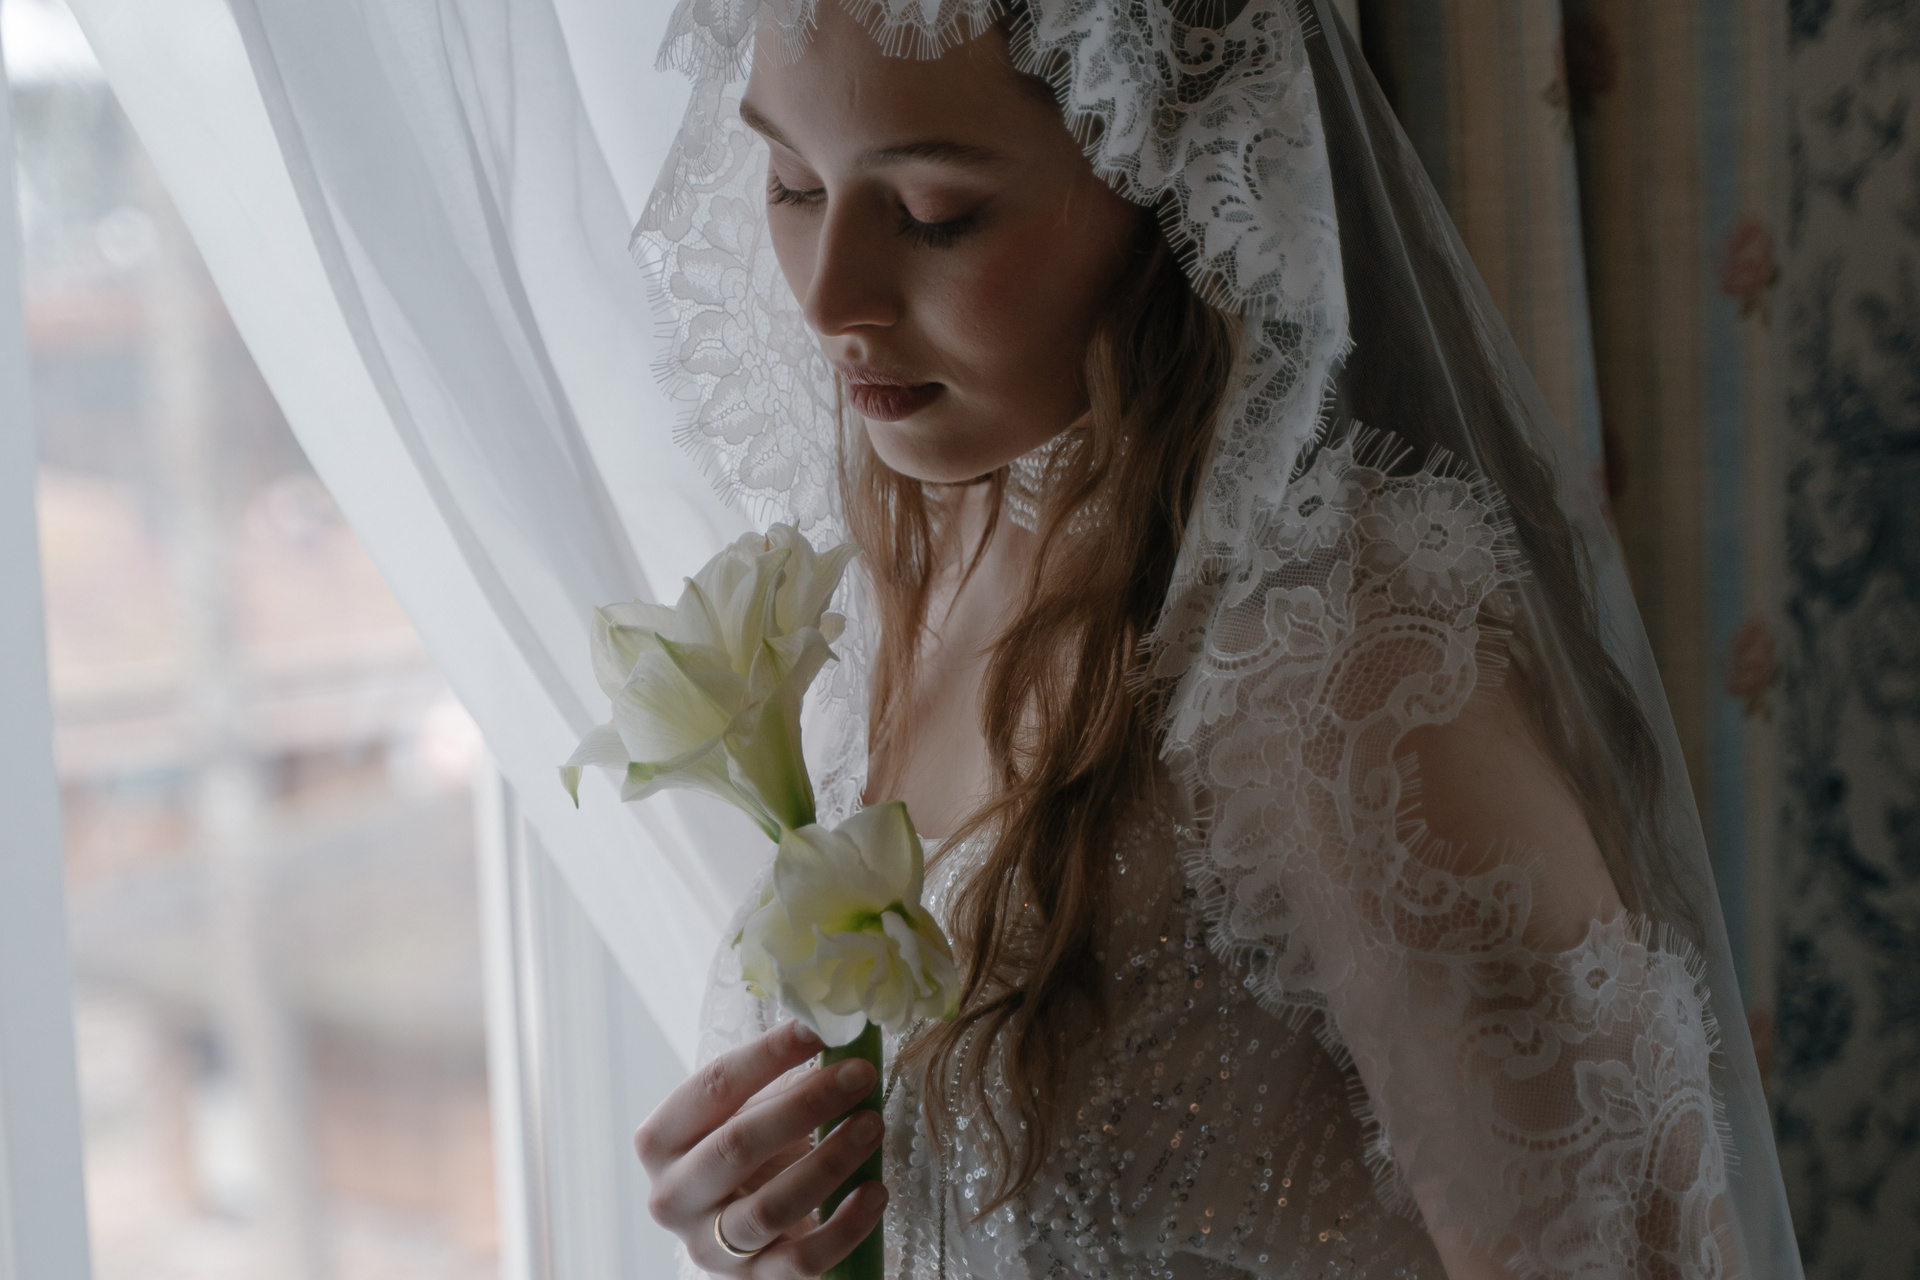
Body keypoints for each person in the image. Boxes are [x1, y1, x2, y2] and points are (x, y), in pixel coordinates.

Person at [625, 0, 1798, 1276]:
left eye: (934, 212)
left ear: (1167, 175)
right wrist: (784, 1234)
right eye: (793, 184)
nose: (827, 297)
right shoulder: (920, 555)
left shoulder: (1341, 672)